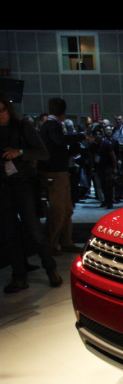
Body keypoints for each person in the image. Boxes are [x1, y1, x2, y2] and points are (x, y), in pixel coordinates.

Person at [0, 93, 62, 293]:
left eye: (2, 110)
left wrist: (20, 152)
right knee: (10, 234)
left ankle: (50, 269)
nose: (0, 115)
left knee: (34, 230)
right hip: (4, 187)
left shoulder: (22, 126)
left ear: (8, 109)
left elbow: (43, 152)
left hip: (23, 184)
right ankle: (19, 276)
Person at [37, 97, 91, 255]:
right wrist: (80, 137)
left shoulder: (48, 125)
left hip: (58, 171)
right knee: (59, 211)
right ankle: (53, 244)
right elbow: (59, 141)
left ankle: (65, 242)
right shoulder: (53, 125)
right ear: (64, 111)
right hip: (55, 172)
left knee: (66, 210)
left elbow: (57, 145)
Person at [89, 126, 118, 208]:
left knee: (109, 184)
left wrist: (115, 168)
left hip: (108, 167)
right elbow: (92, 157)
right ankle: (106, 200)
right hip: (99, 167)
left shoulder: (106, 144)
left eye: (99, 134)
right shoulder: (93, 145)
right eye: (96, 134)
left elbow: (113, 156)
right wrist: (91, 168)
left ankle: (110, 201)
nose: (98, 136)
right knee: (102, 185)